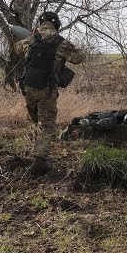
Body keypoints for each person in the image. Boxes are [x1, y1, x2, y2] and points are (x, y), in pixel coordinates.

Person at [14, 11, 84, 175]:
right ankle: (40, 161)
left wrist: (31, 37)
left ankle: (35, 148)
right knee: (47, 126)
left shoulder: (30, 39)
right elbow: (79, 57)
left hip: (27, 88)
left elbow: (17, 49)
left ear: (40, 23)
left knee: (36, 121)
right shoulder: (60, 42)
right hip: (46, 90)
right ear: (57, 25)